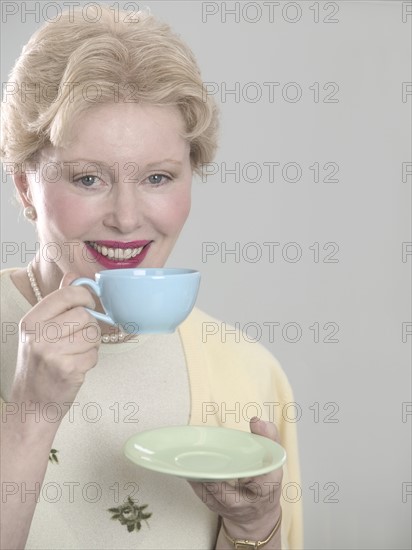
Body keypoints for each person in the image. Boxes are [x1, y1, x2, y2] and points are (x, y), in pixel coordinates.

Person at [0, 5, 303, 549]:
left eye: (158, 177)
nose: (127, 216)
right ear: (25, 186)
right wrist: (31, 415)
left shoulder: (248, 371)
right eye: (88, 178)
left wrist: (257, 528)